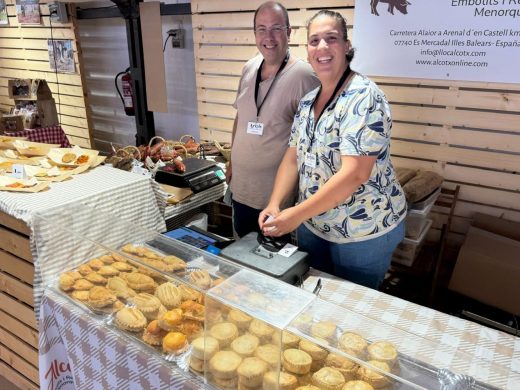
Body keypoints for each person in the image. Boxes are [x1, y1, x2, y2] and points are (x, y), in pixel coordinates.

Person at [259, 10, 407, 289]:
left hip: (362, 232)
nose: (322, 47)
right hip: (314, 226)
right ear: (307, 49)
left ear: (347, 46)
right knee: (314, 297)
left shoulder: (364, 97)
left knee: (351, 308)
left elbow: (355, 174)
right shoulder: (307, 102)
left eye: (331, 38)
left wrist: (296, 214)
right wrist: (275, 204)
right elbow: (293, 158)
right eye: (314, 41)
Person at [227, 1, 319, 238]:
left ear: (289, 32)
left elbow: (313, 141)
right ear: (255, 33)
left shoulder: (304, 76)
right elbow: (242, 116)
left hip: (276, 201)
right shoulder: (249, 68)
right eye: (261, 28)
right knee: (242, 257)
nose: (268, 36)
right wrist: (231, 161)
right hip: (241, 189)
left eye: (276, 28)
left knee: (274, 266)